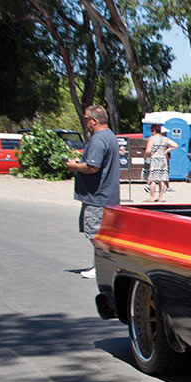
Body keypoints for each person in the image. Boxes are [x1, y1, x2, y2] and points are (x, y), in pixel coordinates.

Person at [66, 105, 121, 279]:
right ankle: (102, 265)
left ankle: (104, 267)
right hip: (106, 195)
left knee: (95, 234)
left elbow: (92, 167)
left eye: (86, 119)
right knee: (101, 233)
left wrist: (74, 166)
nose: (85, 123)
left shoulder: (98, 139)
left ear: (94, 121)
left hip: (97, 196)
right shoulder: (109, 136)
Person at [142, 124, 175, 202]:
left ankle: (151, 197)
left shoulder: (152, 138)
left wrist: (145, 156)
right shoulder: (165, 139)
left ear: (153, 130)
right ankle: (160, 197)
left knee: (153, 179)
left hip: (155, 159)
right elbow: (175, 145)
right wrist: (167, 150)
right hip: (163, 159)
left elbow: (148, 150)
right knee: (162, 179)